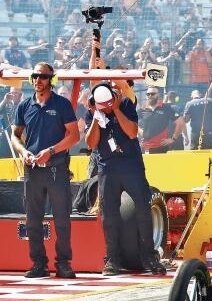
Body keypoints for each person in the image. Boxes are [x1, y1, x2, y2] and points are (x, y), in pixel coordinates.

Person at [84, 82, 166, 276]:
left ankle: (150, 257)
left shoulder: (126, 104)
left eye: (108, 102)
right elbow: (91, 143)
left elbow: (131, 132)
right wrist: (97, 117)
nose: (106, 106)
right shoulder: (93, 109)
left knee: (142, 210)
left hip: (131, 166)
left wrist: (117, 109)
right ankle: (112, 259)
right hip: (107, 168)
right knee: (109, 214)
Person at [10, 63, 80, 278]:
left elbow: (75, 136)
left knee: (62, 219)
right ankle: (38, 264)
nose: (38, 80)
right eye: (35, 76)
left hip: (56, 170)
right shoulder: (24, 106)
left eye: (42, 76)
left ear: (51, 79)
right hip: (32, 170)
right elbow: (15, 136)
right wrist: (23, 152)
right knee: (32, 220)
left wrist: (51, 151)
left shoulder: (62, 104)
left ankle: (64, 263)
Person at [139, 89, 184, 154]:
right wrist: (140, 131)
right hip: (145, 147)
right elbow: (133, 124)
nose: (150, 96)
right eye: (148, 94)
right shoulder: (142, 109)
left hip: (161, 147)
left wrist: (173, 138)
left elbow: (180, 122)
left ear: (158, 95)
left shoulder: (166, 108)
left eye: (153, 94)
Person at [183, 82, 212, 149]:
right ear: (200, 95)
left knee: (195, 153)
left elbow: (186, 120)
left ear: (191, 97)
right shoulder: (209, 101)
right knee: (210, 152)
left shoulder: (189, 104)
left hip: (196, 133)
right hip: (210, 132)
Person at [1, 87, 23, 158]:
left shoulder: (23, 105)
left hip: (18, 138)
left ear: (20, 94)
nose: (13, 95)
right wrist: (5, 100)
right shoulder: (6, 104)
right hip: (5, 137)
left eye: (16, 93)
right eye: (12, 93)